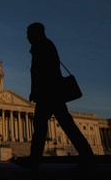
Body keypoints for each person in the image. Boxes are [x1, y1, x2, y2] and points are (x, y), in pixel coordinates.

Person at [25, 22, 97, 172]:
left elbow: (43, 72)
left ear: (36, 33)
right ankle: (88, 156)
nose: (27, 37)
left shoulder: (43, 46)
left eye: (29, 33)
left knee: (43, 127)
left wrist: (38, 90)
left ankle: (34, 161)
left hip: (48, 92)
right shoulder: (44, 45)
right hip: (50, 92)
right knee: (61, 125)